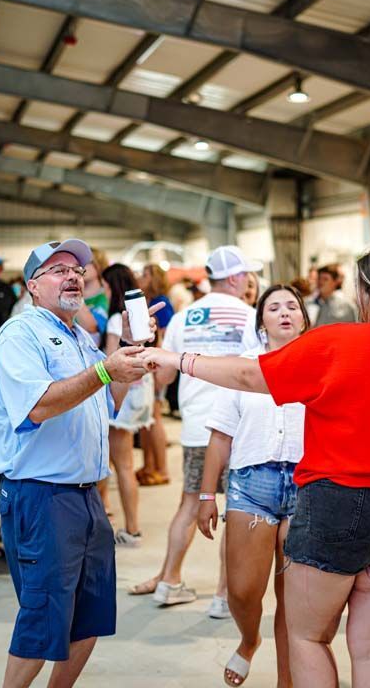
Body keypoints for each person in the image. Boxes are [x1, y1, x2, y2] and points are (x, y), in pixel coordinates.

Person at [139, 245, 370, 688]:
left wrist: (174, 359)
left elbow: (250, 376)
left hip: (339, 505)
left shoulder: (338, 341)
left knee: (308, 639)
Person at [0, 238, 160, 688]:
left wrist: (127, 355)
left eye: (79, 271)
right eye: (59, 270)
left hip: (86, 498)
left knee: (91, 617)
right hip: (41, 496)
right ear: (32, 287)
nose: (74, 277)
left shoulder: (80, 337)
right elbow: (38, 406)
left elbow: (108, 402)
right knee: (43, 620)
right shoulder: (20, 334)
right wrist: (105, 370)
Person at [129, 245, 261, 620]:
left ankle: (169, 582)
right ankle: (223, 596)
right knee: (236, 512)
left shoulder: (185, 317)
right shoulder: (252, 318)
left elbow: (164, 376)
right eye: (246, 274)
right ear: (235, 278)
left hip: (196, 426)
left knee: (189, 504)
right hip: (239, 429)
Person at [198, 285, 309, 687]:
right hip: (250, 486)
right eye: (274, 307)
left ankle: (287, 679)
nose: (284, 313)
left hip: (307, 485)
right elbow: (220, 436)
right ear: (261, 320)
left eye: (292, 306)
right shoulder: (241, 367)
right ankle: (249, 639)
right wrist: (207, 495)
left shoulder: (319, 363)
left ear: (303, 317)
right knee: (243, 592)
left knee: (293, 599)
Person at [101, 263, 155, 546]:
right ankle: (125, 524)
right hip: (142, 394)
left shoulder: (115, 321)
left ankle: (132, 529)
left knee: (121, 464)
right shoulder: (142, 318)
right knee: (123, 463)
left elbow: (112, 361)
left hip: (122, 397)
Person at [137, 263, 175, 486]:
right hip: (149, 363)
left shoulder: (162, 302)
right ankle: (149, 465)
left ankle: (161, 468)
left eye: (145, 274)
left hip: (158, 364)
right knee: (146, 420)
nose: (141, 278)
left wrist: (160, 365)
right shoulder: (148, 302)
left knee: (155, 416)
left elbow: (165, 335)